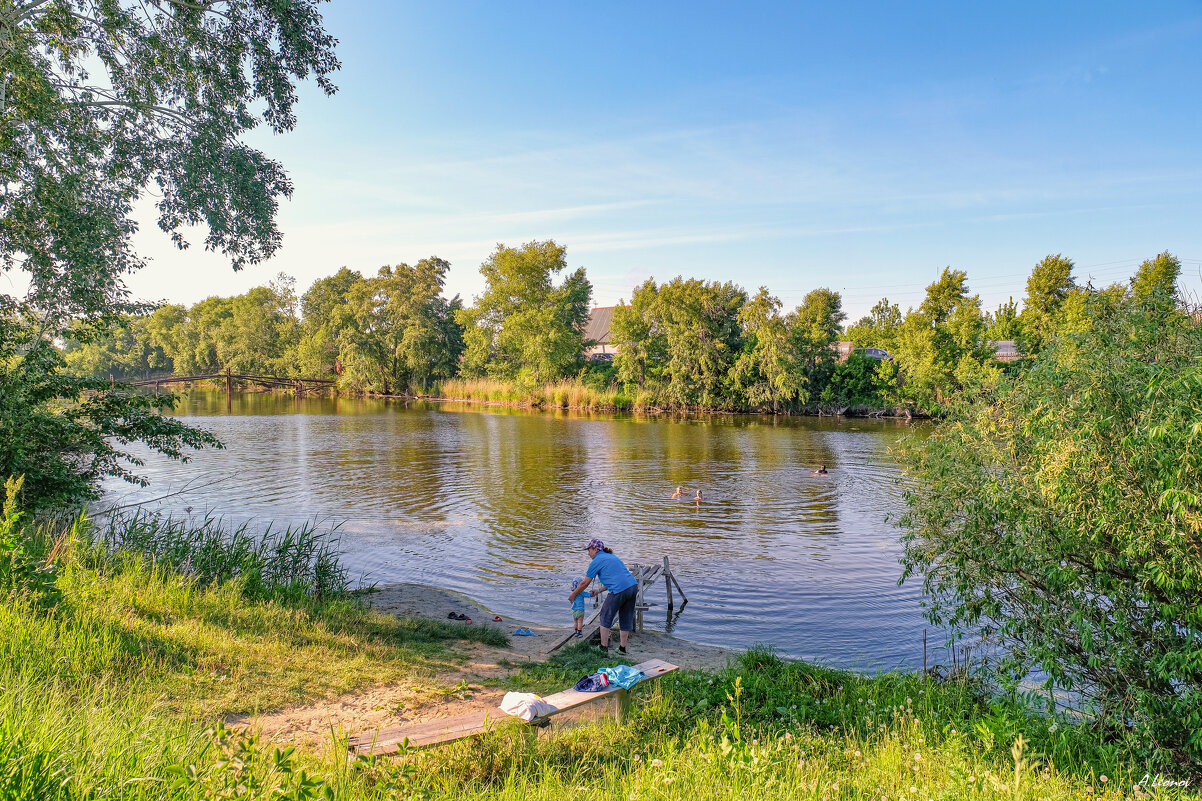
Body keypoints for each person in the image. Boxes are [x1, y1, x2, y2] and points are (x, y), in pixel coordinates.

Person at [568, 538, 639, 655]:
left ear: (595, 549)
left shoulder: (596, 560)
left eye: (589, 550)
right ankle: (622, 649)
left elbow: (584, 583)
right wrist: (599, 590)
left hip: (619, 590)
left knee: (605, 615)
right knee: (626, 616)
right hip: (632, 587)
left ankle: (603, 647)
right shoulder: (612, 557)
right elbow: (617, 578)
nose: (588, 553)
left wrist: (573, 594)